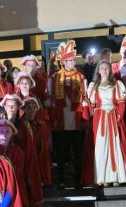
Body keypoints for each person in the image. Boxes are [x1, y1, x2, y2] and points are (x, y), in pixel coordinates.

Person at [48, 40, 88, 188]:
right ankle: (61, 180)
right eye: (70, 60)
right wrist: (53, 120)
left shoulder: (81, 76)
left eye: (73, 60)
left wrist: (85, 118)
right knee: (61, 153)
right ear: (64, 61)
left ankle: (79, 179)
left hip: (76, 120)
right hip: (61, 121)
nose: (73, 62)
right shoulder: (54, 78)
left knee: (78, 152)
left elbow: (85, 99)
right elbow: (51, 101)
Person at [86, 60, 126, 186]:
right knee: (101, 146)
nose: (104, 70)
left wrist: (119, 115)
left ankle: (116, 176)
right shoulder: (94, 86)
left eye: (106, 68)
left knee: (115, 145)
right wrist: (90, 110)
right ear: (98, 71)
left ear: (110, 70)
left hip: (113, 116)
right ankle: (103, 178)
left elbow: (122, 102)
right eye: (102, 68)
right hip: (100, 118)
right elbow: (91, 104)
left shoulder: (117, 84)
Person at [21, 97, 52, 186]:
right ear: (24, 109)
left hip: (39, 153)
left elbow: (46, 141)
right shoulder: (21, 125)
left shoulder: (42, 125)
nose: (32, 110)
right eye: (29, 107)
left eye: (34, 107)